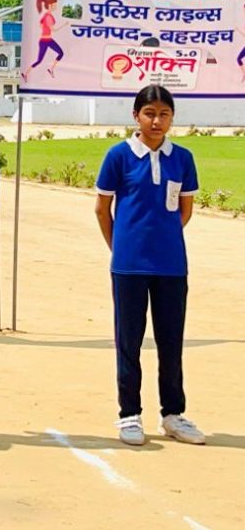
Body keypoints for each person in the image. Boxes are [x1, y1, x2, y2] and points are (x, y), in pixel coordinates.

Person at [94, 85, 205, 447]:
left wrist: (162, 239)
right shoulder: (119, 156)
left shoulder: (183, 158)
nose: (157, 121)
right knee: (129, 341)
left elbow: (184, 211)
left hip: (171, 265)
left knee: (171, 340)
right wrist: (122, 247)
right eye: (150, 113)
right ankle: (129, 414)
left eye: (164, 114)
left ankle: (173, 414)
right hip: (129, 266)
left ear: (172, 118)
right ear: (136, 116)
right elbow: (102, 209)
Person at [21, 0, 64, 81]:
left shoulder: (46, 15)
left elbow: (41, 24)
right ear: (50, 5)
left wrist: (45, 29)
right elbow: (54, 30)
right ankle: (26, 74)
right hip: (45, 41)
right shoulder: (48, 17)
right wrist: (64, 25)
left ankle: (51, 69)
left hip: (47, 40)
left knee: (60, 53)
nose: (56, 7)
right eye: (55, 5)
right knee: (40, 60)